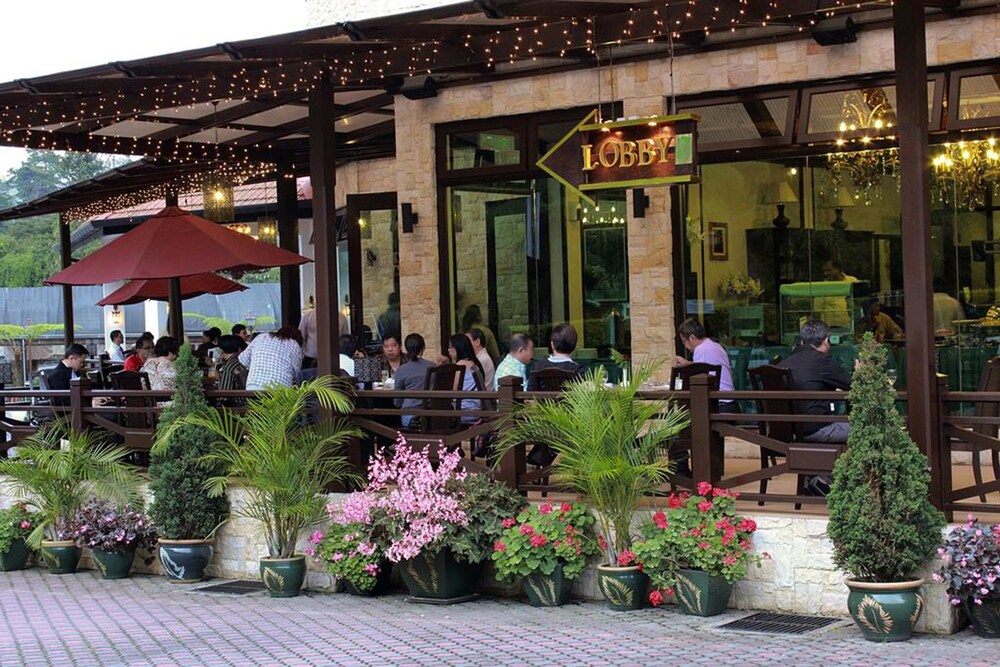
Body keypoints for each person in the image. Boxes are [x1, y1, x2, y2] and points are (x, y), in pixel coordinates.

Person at [778, 318, 853, 443]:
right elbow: (853, 384)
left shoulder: (784, 363)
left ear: (802, 341)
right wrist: (860, 373)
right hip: (818, 430)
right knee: (872, 429)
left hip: (792, 431)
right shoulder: (822, 360)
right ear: (826, 340)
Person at [673, 318, 738, 413]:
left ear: (692, 338)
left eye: (684, 341)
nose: (684, 346)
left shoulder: (700, 349)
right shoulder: (715, 346)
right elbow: (706, 366)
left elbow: (697, 378)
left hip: (718, 405)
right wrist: (688, 364)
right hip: (730, 402)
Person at [239, 325, 304, 390]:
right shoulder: (295, 345)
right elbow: (296, 373)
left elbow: (243, 360)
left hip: (253, 386)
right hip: (280, 389)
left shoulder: (262, 337)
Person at [392, 333, 436, 427]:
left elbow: (397, 402)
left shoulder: (402, 370)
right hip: (432, 415)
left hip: (410, 415)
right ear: (423, 348)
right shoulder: (433, 366)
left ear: (406, 348)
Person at [527, 323, 581, 390]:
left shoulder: (537, 366)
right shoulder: (578, 370)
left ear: (552, 345)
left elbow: (530, 391)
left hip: (540, 397)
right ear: (575, 347)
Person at [448, 333, 485, 424]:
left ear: (458, 348)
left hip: (464, 412)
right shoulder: (475, 364)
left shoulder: (460, 366)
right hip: (477, 410)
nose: (448, 350)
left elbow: (453, 390)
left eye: (450, 347)